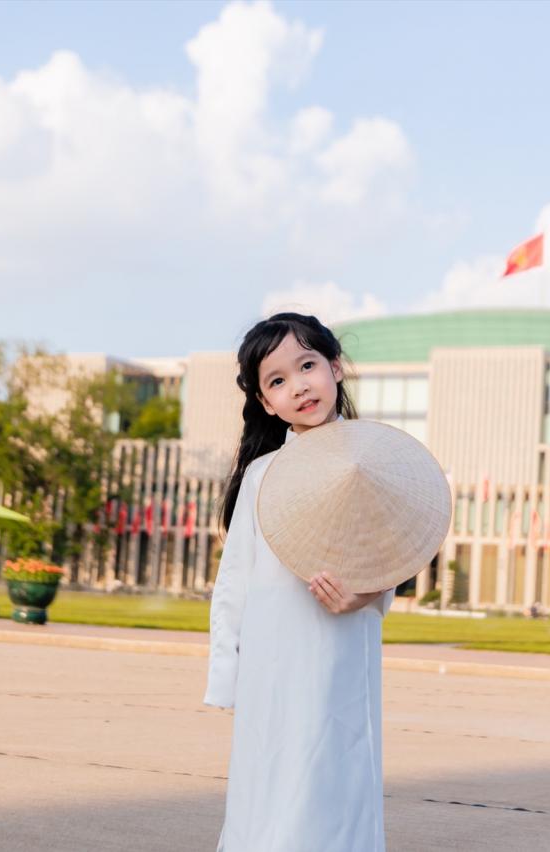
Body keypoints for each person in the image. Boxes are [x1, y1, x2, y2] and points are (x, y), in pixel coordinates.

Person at [204, 312, 394, 852]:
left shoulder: (370, 462)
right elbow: (235, 577)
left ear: (336, 368)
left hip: (341, 647)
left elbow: (391, 552)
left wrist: (368, 594)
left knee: (334, 774)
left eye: (307, 365)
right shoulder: (263, 475)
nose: (299, 386)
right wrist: (227, 671)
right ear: (266, 403)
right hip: (271, 657)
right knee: (271, 782)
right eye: (278, 381)